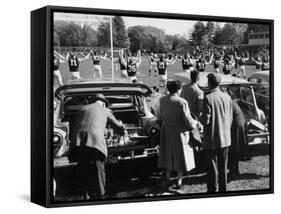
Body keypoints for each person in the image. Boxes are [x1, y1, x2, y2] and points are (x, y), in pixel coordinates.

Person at [69, 94, 125, 199]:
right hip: (95, 143)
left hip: (78, 144)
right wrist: (123, 130)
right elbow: (117, 125)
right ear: (103, 103)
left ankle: (85, 196)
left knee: (83, 170)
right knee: (99, 171)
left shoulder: (81, 109)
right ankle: (101, 196)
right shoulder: (104, 110)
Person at [157, 80, 200, 189]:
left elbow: (160, 116)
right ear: (179, 89)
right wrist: (196, 124)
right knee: (180, 157)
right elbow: (188, 120)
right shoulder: (182, 102)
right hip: (180, 133)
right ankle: (179, 181)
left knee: (168, 156)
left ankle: (167, 178)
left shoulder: (162, 100)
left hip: (167, 132)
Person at [201, 73, 233, 193]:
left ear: (209, 83)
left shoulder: (208, 98)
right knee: (223, 167)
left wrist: (200, 116)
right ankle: (223, 189)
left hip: (212, 139)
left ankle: (212, 190)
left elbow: (205, 120)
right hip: (225, 138)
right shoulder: (227, 97)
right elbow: (230, 118)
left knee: (212, 168)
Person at [228, 100, 248, 179]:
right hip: (239, 124)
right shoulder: (231, 102)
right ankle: (235, 170)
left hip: (236, 126)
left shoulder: (229, 103)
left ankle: (233, 171)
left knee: (234, 149)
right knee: (235, 149)